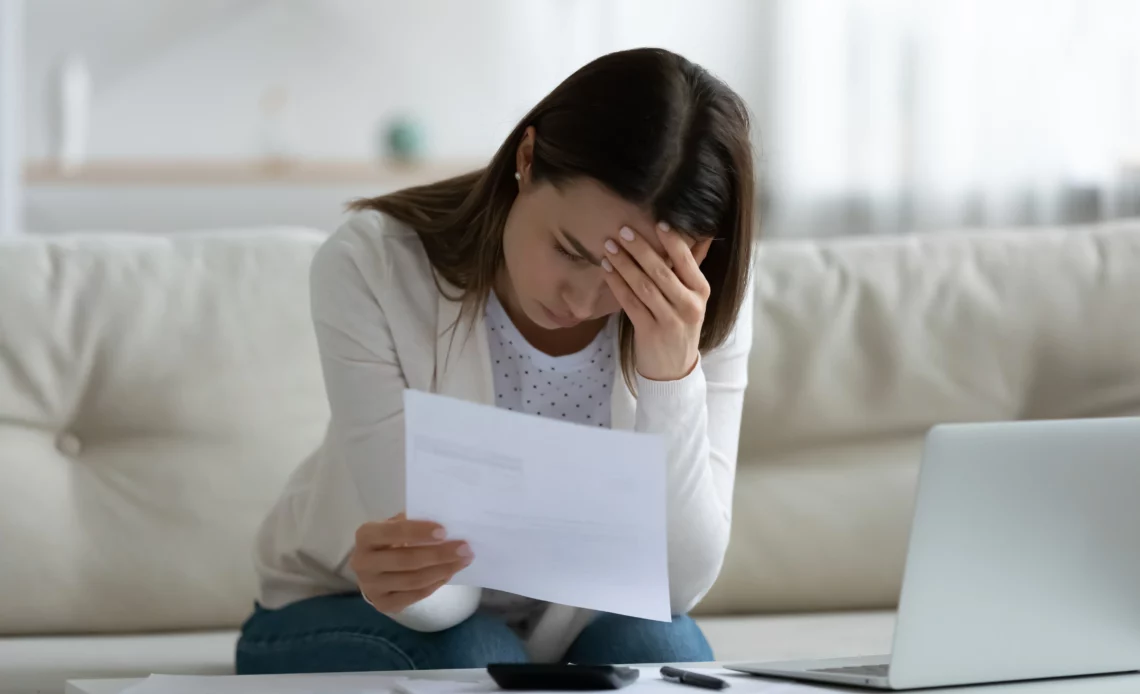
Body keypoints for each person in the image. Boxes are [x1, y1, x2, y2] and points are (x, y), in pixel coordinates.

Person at [238, 47, 756, 674]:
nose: (584, 300)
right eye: (569, 249)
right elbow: (443, 598)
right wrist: (407, 580)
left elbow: (673, 591)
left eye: (624, 275)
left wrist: (670, 372)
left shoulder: (701, 304)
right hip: (349, 604)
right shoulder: (372, 265)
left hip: (568, 622)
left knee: (664, 651)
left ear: (694, 253)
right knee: (478, 655)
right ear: (527, 159)